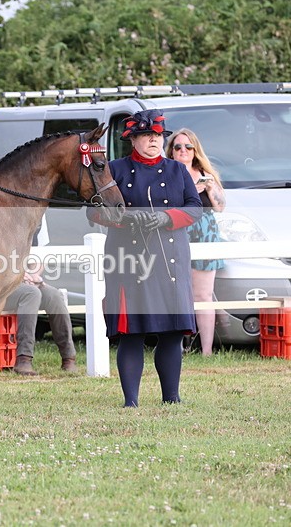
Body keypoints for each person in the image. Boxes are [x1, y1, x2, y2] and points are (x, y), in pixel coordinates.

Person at [87, 109, 202, 407]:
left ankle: (171, 397)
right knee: (131, 333)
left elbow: (195, 208)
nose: (153, 140)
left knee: (172, 333)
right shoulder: (115, 169)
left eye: (157, 136)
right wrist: (127, 219)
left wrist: (167, 217)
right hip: (128, 260)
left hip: (170, 259)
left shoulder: (177, 170)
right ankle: (131, 401)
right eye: (146, 135)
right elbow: (93, 211)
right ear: (133, 140)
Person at [166, 128, 226, 356]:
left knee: (203, 295)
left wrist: (209, 187)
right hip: (176, 233)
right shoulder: (166, 174)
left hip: (205, 235)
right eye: (178, 147)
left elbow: (220, 207)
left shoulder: (205, 174)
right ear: (171, 151)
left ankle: (206, 350)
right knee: (176, 293)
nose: (183, 150)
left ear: (195, 150)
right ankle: (177, 346)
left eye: (188, 146)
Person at [5, 261, 76, 375]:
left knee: (54, 296)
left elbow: (39, 259)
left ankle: (68, 357)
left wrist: (33, 275)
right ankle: (24, 358)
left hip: (24, 283)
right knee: (31, 293)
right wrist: (17, 275)